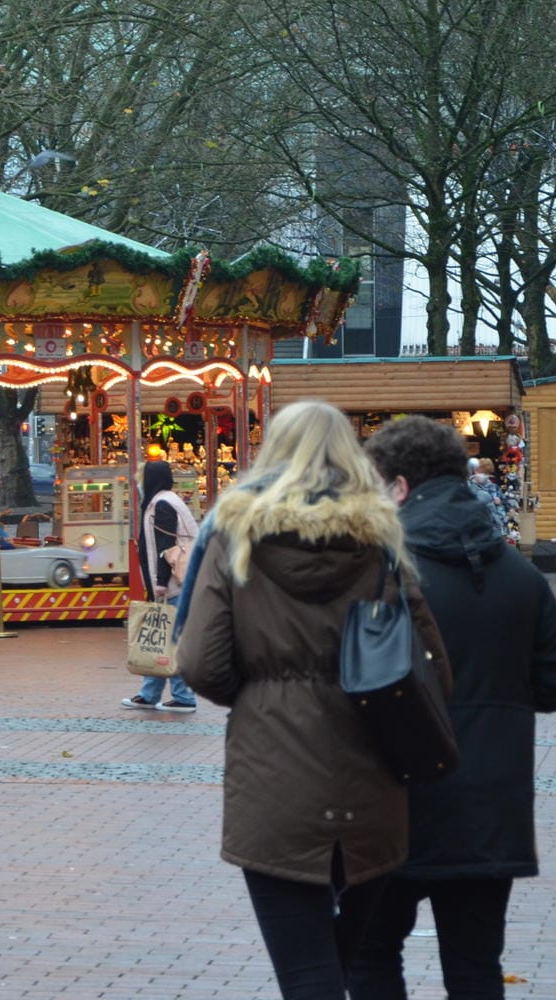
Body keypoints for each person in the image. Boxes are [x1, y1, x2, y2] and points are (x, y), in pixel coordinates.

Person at [178, 400, 451, 999]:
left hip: (273, 782)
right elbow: (432, 665)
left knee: (306, 974)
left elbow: (200, 663)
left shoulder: (236, 537)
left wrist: (259, 694)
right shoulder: (382, 541)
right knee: (343, 963)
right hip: (372, 778)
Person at [352, 416, 556, 999]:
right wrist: (497, 701)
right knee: (476, 966)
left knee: (370, 957)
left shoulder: (381, 572)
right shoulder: (517, 575)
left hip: (392, 802)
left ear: (400, 488)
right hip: (490, 809)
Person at [123, 460, 199, 714]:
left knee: (172, 640)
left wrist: (159, 583)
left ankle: (183, 697)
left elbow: (167, 547)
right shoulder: (167, 500)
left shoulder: (162, 504)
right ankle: (150, 693)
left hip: (174, 584)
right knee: (160, 638)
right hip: (175, 583)